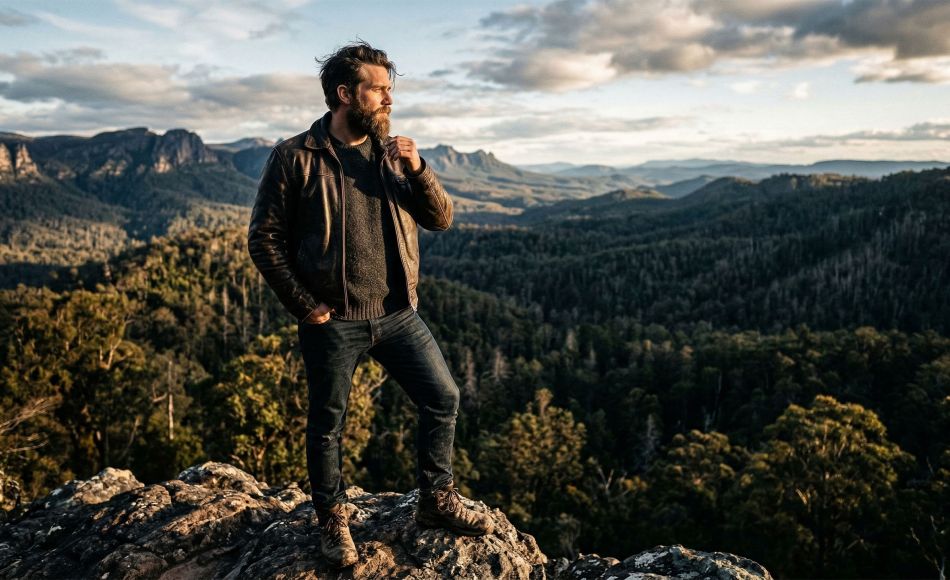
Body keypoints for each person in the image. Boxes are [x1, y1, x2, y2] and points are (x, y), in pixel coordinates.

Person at [246, 41, 493, 569]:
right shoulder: (295, 156)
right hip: (333, 320)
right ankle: (332, 520)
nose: (389, 99)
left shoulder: (391, 154)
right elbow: (264, 240)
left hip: (398, 313)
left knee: (443, 397)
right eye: (378, 89)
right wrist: (306, 306)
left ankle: (436, 499)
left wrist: (419, 168)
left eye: (389, 89)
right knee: (328, 424)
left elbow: (440, 219)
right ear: (345, 93)